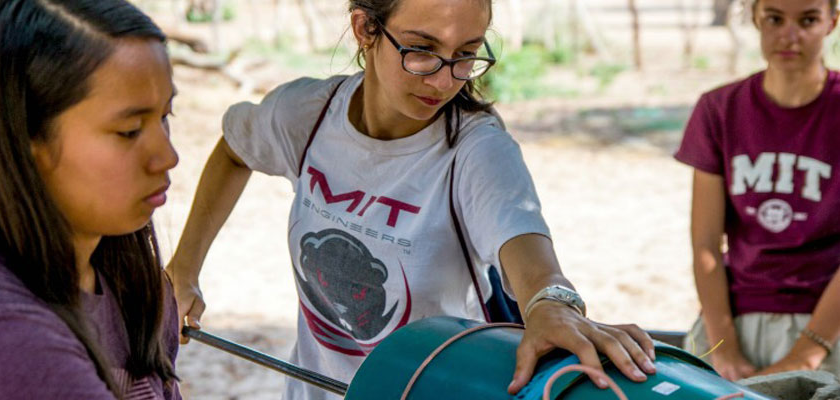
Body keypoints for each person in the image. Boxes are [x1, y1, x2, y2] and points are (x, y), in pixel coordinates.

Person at [168, 0, 657, 398]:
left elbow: (530, 256)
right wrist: (183, 270)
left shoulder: (476, 149)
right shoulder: (309, 115)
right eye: (422, 50)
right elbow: (236, 149)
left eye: (466, 53)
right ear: (365, 29)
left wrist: (553, 304)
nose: (445, 80)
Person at [0, 0, 182, 398]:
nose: (167, 157)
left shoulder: (140, 290)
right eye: (129, 130)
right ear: (24, 139)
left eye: (165, 117)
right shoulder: (14, 340)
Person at [676, 0, 840, 381]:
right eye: (775, 19)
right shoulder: (719, 109)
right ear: (754, 18)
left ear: (832, 21)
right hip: (735, 314)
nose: (790, 36)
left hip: (827, 319)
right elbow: (705, 244)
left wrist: (808, 352)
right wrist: (724, 347)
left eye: (808, 20)